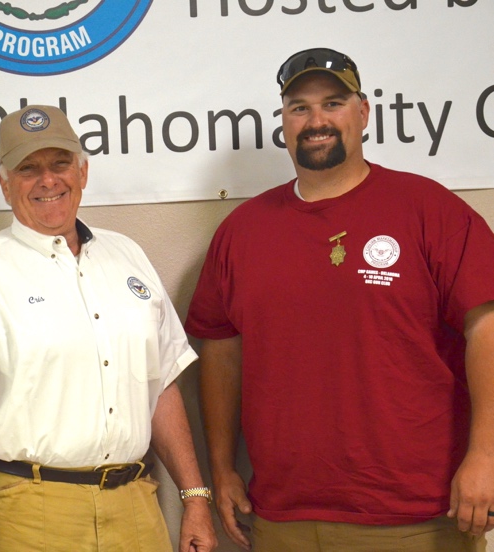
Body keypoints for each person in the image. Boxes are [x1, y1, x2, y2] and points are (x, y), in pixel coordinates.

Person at [185, 46, 494, 552]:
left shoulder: (429, 210)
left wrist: (485, 455)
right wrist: (221, 469)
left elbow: (487, 326)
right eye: (299, 107)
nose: (316, 120)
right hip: (284, 520)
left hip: (414, 518)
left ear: (364, 112)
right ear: (283, 121)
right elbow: (220, 348)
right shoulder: (242, 232)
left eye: (333, 103)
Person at [0, 105, 217, 552]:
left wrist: (195, 497)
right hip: (28, 512)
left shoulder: (128, 255)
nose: (47, 180)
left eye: (60, 163)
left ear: (83, 171)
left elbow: (162, 384)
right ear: (4, 184)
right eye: (28, 168)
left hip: (135, 505)